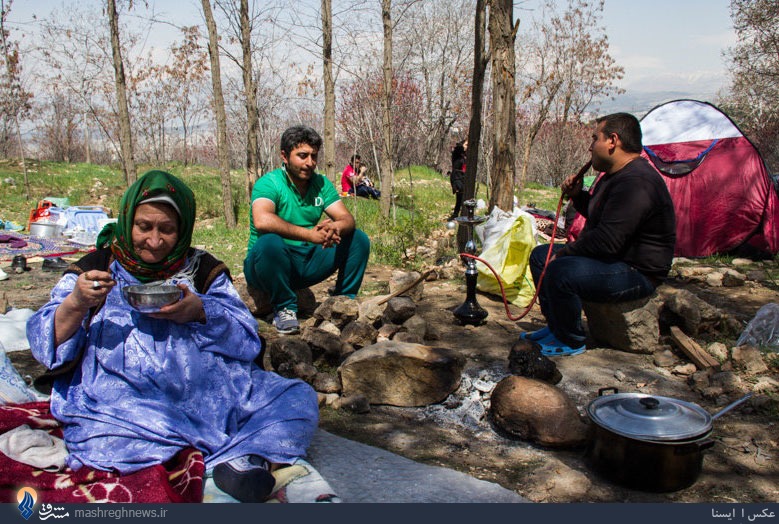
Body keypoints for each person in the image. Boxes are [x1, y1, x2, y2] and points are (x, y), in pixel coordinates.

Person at [27, 170, 319, 503]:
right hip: (125, 403)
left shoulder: (201, 268)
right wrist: (77, 303)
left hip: (210, 398)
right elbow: (43, 344)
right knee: (113, 435)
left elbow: (246, 337)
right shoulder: (96, 268)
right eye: (144, 227)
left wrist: (199, 311)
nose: (154, 241)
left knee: (296, 398)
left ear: (182, 230)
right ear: (127, 221)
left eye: (167, 230)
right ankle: (228, 454)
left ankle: (240, 459)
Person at [521, 112, 676, 356]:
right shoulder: (614, 176)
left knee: (560, 269)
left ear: (613, 141)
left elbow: (608, 240)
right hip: (615, 260)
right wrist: (578, 196)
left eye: (595, 139)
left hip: (637, 271)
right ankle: (557, 327)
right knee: (541, 255)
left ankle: (571, 340)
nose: (590, 146)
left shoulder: (637, 182)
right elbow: (603, 217)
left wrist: (567, 253)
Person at [245, 126, 371, 334]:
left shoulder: (320, 184)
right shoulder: (269, 183)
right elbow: (262, 220)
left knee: (357, 239)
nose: (309, 163)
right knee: (269, 243)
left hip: (305, 262)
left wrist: (335, 226)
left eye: (313, 156)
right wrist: (309, 235)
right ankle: (284, 307)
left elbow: (347, 218)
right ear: (284, 156)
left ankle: (342, 303)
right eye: (302, 156)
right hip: (268, 266)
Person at [448, 141, 466, 220]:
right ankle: (456, 214)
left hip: (463, 178)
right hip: (457, 178)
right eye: (466, 145)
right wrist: (461, 145)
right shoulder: (457, 155)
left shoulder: (465, 156)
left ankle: (457, 214)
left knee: (461, 198)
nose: (467, 147)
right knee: (460, 197)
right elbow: (458, 148)